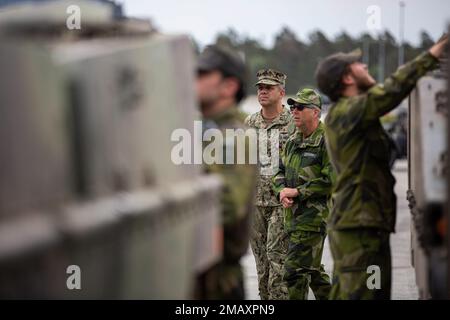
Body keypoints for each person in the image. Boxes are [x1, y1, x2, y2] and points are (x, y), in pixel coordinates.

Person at [315, 35, 448, 299]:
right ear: (347, 79)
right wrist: (432, 55)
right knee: (365, 294)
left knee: (365, 293)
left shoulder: (354, 114)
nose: (365, 67)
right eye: (358, 66)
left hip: (365, 224)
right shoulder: (347, 113)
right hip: (358, 227)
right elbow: (390, 92)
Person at [194, 45, 257, 299]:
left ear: (228, 87)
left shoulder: (233, 135)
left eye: (202, 74)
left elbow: (227, 206)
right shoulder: (208, 130)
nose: (192, 80)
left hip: (219, 282)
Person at [272, 88, 332, 300]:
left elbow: (332, 180)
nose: (294, 111)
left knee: (294, 272)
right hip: (292, 219)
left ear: (315, 112)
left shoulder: (327, 140)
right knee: (312, 271)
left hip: (313, 219)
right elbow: (279, 171)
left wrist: (298, 191)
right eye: (292, 107)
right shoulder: (292, 140)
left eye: (300, 107)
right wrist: (281, 192)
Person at [245, 69, 295, 299]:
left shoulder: (292, 124)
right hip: (255, 203)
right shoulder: (250, 123)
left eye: (268, 88)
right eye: (260, 88)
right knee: (261, 264)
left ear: (281, 92)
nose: (262, 91)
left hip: (281, 203)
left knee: (278, 260)